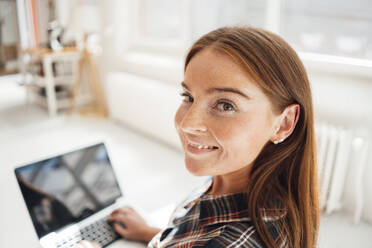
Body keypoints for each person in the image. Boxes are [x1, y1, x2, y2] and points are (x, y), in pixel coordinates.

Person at [77, 26, 319, 248]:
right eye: (188, 97)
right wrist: (151, 233)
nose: (187, 124)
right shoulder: (236, 181)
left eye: (225, 105)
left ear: (284, 123)